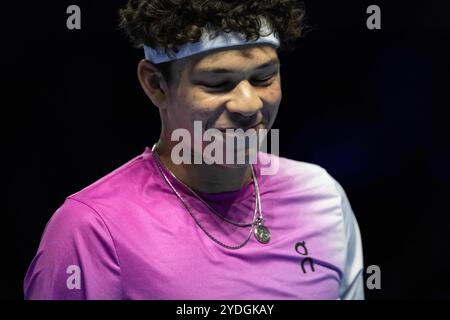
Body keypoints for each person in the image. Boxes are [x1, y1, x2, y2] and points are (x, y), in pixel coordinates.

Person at [24, 0, 364, 299]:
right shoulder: (91, 229)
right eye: (216, 83)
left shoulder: (323, 199)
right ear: (155, 85)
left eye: (264, 78)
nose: (248, 104)